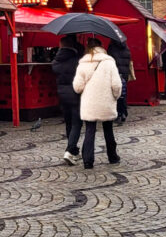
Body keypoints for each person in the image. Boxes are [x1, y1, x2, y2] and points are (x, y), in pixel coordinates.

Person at [72, 38, 122, 169]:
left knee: (90, 130)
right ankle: (112, 157)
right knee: (108, 129)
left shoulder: (82, 63)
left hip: (89, 103)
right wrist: (115, 97)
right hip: (106, 101)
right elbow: (116, 84)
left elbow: (77, 87)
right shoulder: (109, 62)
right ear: (102, 47)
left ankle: (88, 161)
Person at [52, 35, 83, 164]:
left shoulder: (56, 61)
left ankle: (74, 149)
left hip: (62, 93)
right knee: (77, 123)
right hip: (75, 94)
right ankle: (69, 150)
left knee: (69, 122)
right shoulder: (76, 60)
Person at [107, 37, 132, 125]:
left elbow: (109, 61)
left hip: (115, 74)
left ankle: (118, 114)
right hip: (124, 74)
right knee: (123, 94)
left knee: (115, 95)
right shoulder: (126, 48)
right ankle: (124, 113)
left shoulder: (112, 48)